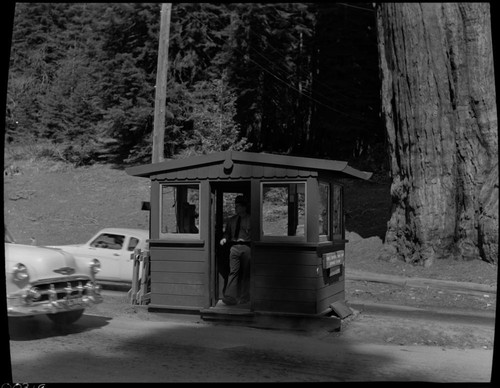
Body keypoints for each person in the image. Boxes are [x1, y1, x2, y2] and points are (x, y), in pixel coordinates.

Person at [220, 195, 251, 305]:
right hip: (234, 248)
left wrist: (247, 238)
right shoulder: (232, 220)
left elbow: (259, 234)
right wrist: (224, 238)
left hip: (247, 247)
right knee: (233, 272)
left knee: (246, 273)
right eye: (235, 206)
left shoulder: (251, 219)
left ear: (244, 207)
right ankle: (230, 297)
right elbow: (227, 233)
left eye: (238, 206)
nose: (236, 208)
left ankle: (244, 297)